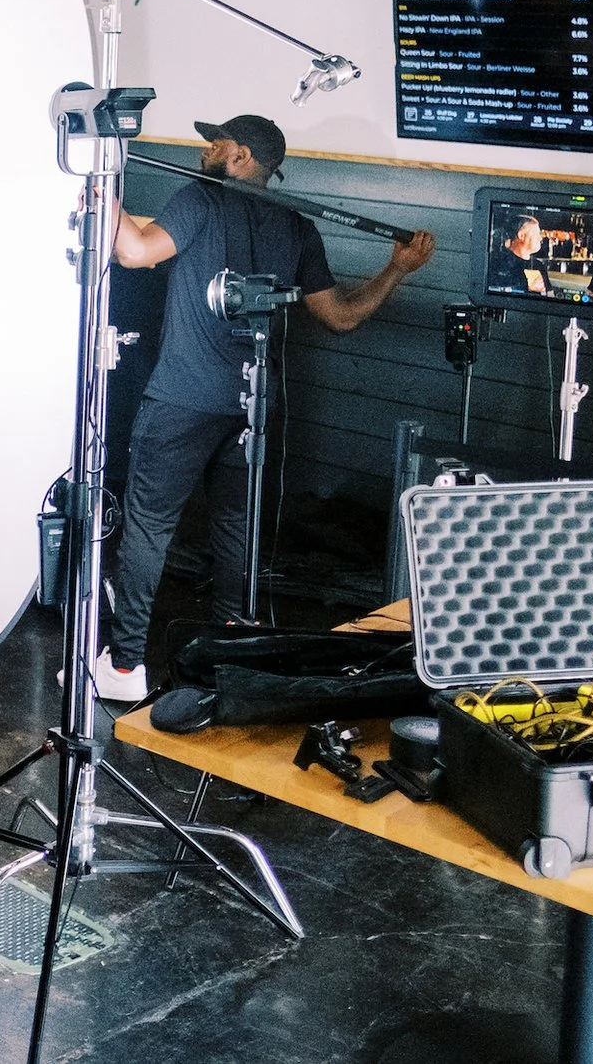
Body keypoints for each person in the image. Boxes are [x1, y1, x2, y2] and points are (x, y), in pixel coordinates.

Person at [99, 115, 435, 704]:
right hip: (252, 407)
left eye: (217, 143)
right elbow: (342, 316)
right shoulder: (294, 226)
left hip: (181, 399)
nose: (207, 149)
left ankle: (125, 667)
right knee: (236, 530)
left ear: (243, 157)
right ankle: (230, 657)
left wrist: (99, 187)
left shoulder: (201, 200)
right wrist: (395, 271)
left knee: (150, 527)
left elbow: (132, 252)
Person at [489, 213, 551, 297]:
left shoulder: (538, 265)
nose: (540, 238)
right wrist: (527, 288)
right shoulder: (499, 263)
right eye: (536, 233)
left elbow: (549, 295)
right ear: (521, 235)